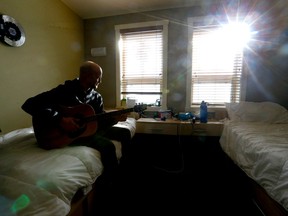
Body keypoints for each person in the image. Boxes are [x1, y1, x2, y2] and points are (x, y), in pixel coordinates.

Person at [21, 61, 127, 182]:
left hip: (85, 130)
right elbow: (29, 104)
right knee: (108, 146)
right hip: (61, 135)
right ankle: (111, 184)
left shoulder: (96, 97)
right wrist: (60, 120)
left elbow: (98, 122)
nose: (100, 81)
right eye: (99, 78)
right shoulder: (64, 90)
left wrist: (114, 119)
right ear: (89, 76)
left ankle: (124, 172)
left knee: (124, 133)